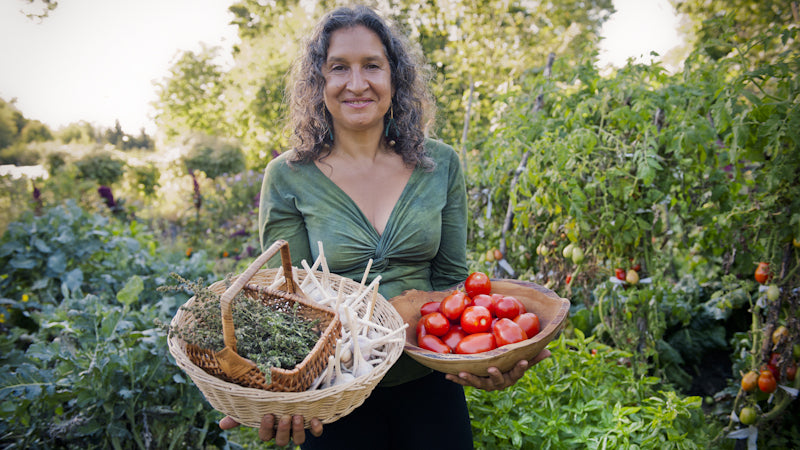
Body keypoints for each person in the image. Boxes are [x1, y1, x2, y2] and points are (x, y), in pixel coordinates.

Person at [219, 5, 550, 448]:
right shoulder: (288, 176)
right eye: (339, 67)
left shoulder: (439, 165)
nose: (357, 84)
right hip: (334, 392)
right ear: (319, 81)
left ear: (395, 77)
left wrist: (486, 351)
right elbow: (286, 297)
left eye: (372, 65)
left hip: (430, 382)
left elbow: (452, 283)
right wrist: (269, 391)